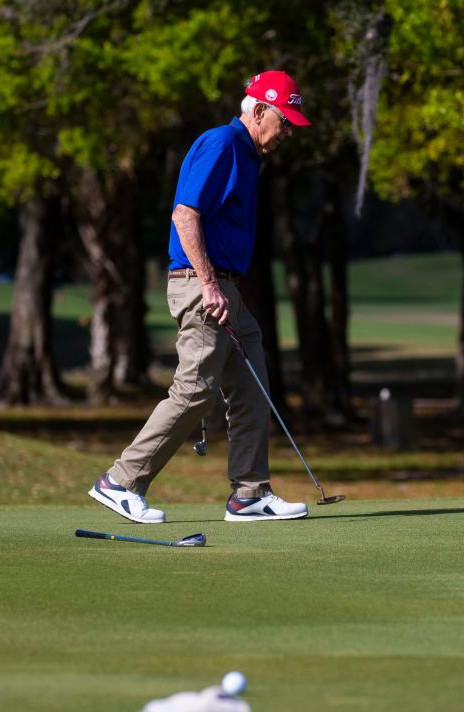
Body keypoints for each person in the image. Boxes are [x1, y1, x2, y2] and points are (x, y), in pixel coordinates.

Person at [88, 71, 312, 524]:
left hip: (222, 283)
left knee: (252, 383)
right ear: (260, 110)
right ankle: (121, 481)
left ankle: (249, 494)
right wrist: (210, 285)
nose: (288, 131)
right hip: (200, 282)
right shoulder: (222, 145)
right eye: (284, 120)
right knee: (194, 389)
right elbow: (185, 214)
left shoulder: (249, 156)